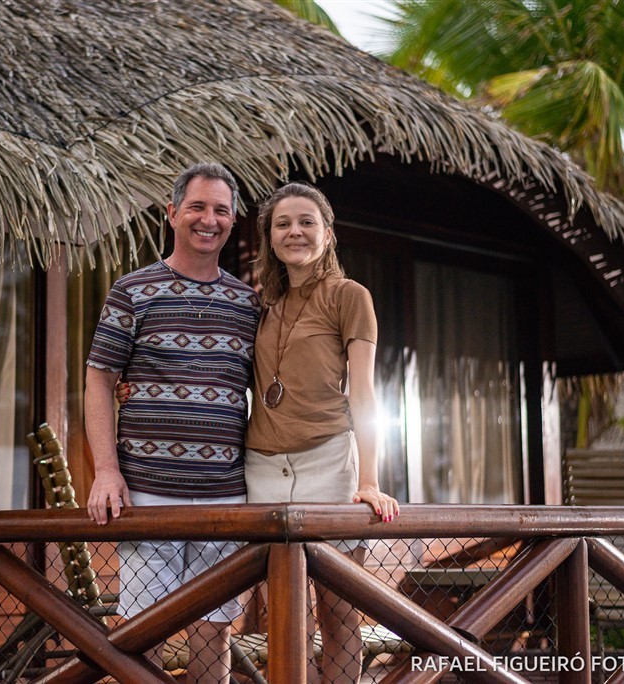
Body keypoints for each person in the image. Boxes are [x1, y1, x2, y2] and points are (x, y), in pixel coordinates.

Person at [84, 162, 261, 683]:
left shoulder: (248, 304)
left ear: (232, 221)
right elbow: (99, 381)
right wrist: (106, 470)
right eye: (198, 207)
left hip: (227, 498)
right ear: (172, 213)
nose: (210, 219)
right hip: (147, 496)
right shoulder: (132, 291)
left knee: (215, 635)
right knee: (140, 633)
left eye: (221, 210)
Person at [245, 181, 399, 683]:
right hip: (262, 467)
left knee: (337, 609)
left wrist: (369, 480)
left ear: (328, 234)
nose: (295, 231)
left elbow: (364, 395)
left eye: (307, 222)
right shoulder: (261, 303)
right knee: (283, 612)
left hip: (329, 460)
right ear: (270, 238)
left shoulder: (350, 297)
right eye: (283, 223)